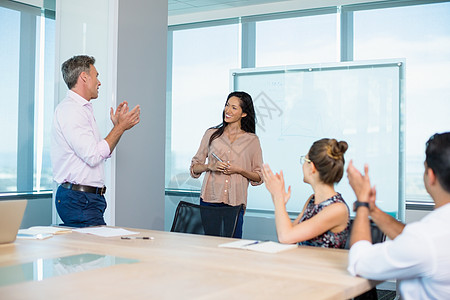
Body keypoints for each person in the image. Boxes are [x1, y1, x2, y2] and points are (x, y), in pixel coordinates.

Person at [347, 132, 450, 299]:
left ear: (431, 176)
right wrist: (373, 210)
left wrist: (362, 204)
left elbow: (359, 263)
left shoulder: (426, 239)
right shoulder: (433, 233)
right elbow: (411, 239)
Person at [51, 55, 141, 227]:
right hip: (80, 200)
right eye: (97, 76)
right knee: (98, 250)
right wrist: (120, 127)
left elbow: (101, 153)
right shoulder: (72, 111)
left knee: (93, 252)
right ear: (84, 77)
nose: (99, 82)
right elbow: (93, 156)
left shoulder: (81, 110)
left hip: (86, 199)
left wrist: (117, 127)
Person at [190, 91, 263, 238]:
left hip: (235, 202)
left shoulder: (252, 140)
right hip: (210, 200)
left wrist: (240, 170)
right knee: (210, 246)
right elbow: (194, 168)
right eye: (227, 105)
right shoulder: (211, 134)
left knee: (233, 247)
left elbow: (259, 177)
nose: (227, 110)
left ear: (244, 113)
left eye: (234, 108)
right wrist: (209, 166)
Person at [262, 138, 350, 247]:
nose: (302, 165)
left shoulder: (337, 209)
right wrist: (278, 201)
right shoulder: (312, 200)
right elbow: (290, 235)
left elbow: (285, 237)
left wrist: (278, 197)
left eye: (305, 160)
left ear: (312, 167)